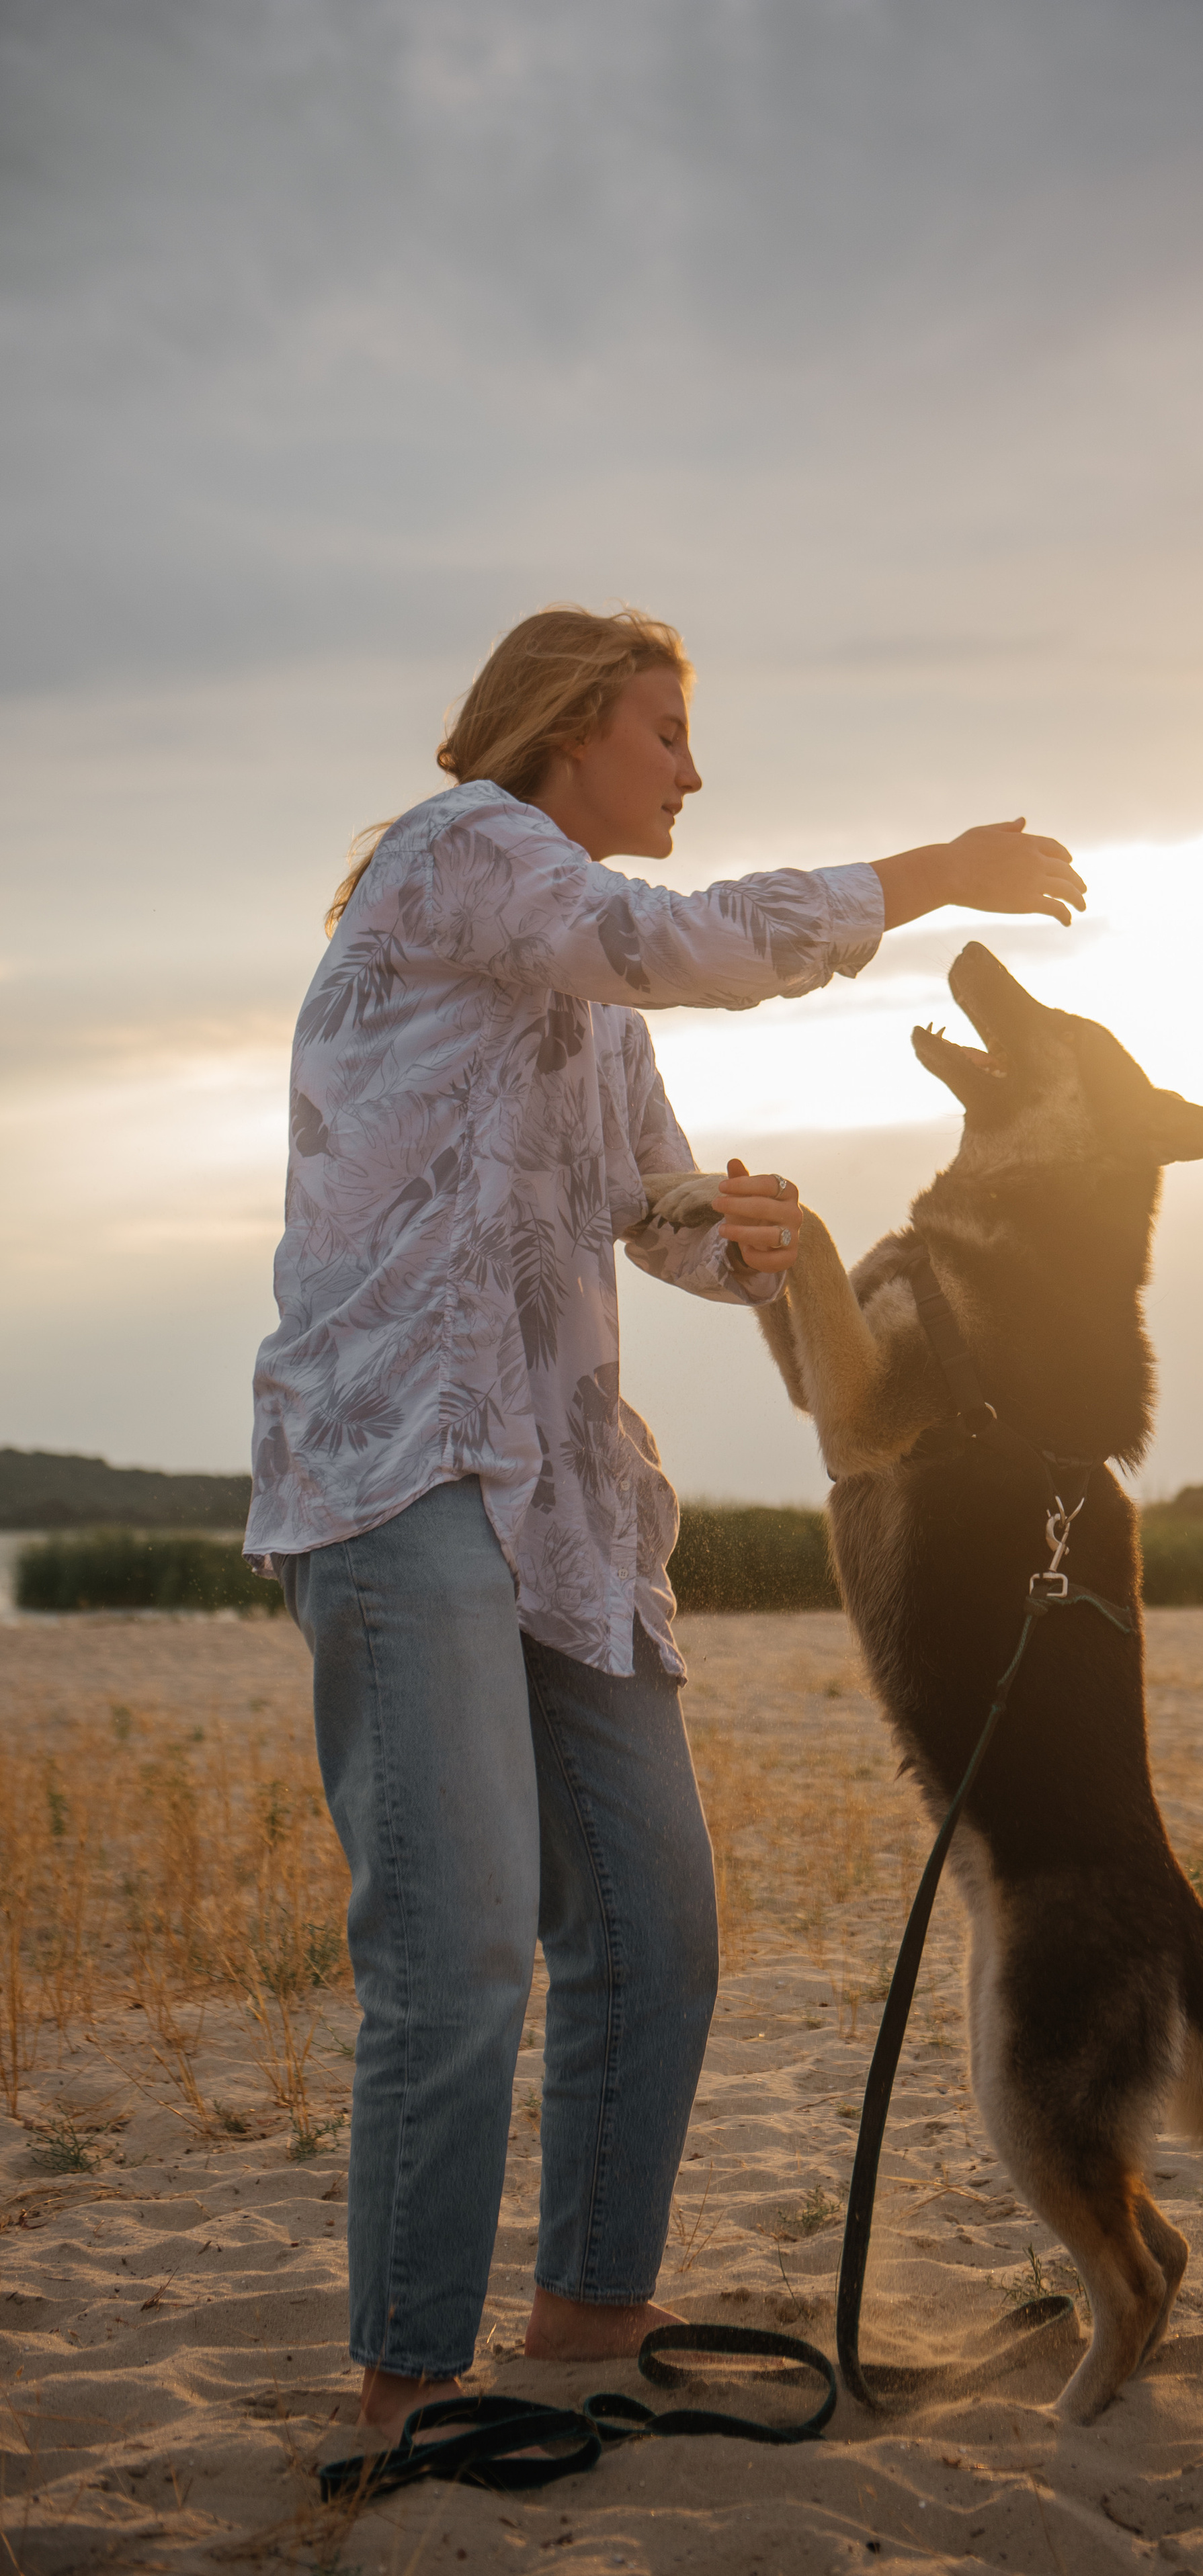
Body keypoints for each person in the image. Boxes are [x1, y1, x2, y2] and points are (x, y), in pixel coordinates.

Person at [244, 604, 1085, 2439]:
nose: (693, 771)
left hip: (565, 1502)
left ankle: (588, 2316)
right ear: (567, 729)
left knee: (657, 1922)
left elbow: (646, 1204)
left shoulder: (581, 973)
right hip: (402, 1470)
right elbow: (672, 939)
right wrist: (934, 875)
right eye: (666, 732)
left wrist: (747, 1239)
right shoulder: (466, 852)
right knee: (460, 1949)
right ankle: (404, 2393)